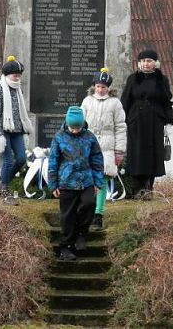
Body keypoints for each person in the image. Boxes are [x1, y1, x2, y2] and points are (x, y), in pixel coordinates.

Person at [48, 106, 104, 260]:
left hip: (86, 181)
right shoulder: (59, 137)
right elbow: (53, 161)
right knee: (67, 216)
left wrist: (97, 182)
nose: (75, 130)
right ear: (67, 124)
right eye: (72, 127)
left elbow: (97, 159)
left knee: (89, 204)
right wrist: (53, 184)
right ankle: (65, 247)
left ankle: (81, 235)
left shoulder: (90, 137)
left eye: (78, 127)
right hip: (66, 183)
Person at [120, 49, 173, 198]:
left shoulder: (161, 80)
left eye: (149, 61)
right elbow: (125, 100)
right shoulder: (133, 79)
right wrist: (122, 120)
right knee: (137, 154)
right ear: (139, 63)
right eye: (143, 61)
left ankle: (149, 188)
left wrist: (169, 121)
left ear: (155, 63)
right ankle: (138, 189)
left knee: (152, 155)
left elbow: (166, 101)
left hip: (154, 121)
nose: (146, 64)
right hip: (136, 122)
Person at [80, 67, 126, 230]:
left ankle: (98, 214)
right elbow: (80, 123)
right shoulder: (87, 101)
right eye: (98, 86)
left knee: (102, 179)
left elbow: (120, 127)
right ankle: (87, 211)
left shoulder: (115, 103)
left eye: (104, 87)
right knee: (88, 179)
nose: (100, 90)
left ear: (108, 88)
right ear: (94, 86)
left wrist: (119, 150)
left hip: (107, 145)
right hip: (90, 142)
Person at [0, 55, 33, 199]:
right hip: (4, 131)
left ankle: (3, 182)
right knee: (7, 160)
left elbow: (21, 111)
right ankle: (5, 187)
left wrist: (25, 131)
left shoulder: (18, 89)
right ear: (7, 74)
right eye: (15, 75)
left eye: (19, 75)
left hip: (17, 130)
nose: (17, 77)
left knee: (21, 159)